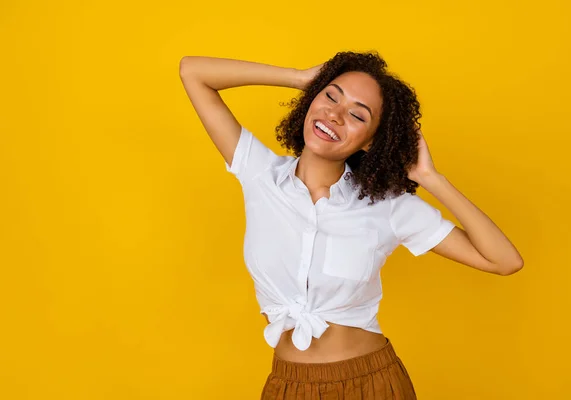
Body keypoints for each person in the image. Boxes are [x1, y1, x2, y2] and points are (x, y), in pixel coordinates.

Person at [179, 51, 524, 399]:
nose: (335, 114)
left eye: (357, 115)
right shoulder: (260, 174)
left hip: (369, 383)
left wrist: (431, 179)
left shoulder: (388, 207)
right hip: (287, 384)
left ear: (371, 141)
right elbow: (193, 71)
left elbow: (504, 261)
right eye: (330, 95)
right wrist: (301, 78)